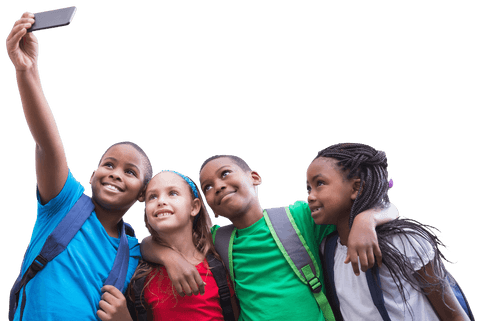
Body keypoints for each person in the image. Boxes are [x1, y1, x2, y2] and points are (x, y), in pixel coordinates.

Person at [6, 12, 152, 321]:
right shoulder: (64, 203)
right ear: (94, 174)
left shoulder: (135, 253)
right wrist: (27, 69)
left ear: (143, 194)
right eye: (108, 164)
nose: (114, 173)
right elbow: (48, 144)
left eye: (129, 172)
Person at [142, 154, 399, 321]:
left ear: (254, 178)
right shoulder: (217, 239)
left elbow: (384, 205)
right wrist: (169, 258)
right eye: (207, 186)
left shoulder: (298, 216)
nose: (217, 185)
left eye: (225, 174)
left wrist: (367, 220)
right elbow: (145, 244)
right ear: (205, 204)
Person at [306, 142, 470, 320]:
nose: (310, 196)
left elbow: (453, 315)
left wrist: (366, 220)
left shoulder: (402, 241)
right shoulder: (328, 249)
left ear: (355, 188)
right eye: (308, 187)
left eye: (320, 183)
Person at [126, 170, 237, 320]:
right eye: (152, 197)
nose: (161, 201)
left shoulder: (221, 263)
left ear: (194, 207)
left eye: (172, 193)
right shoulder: (139, 273)